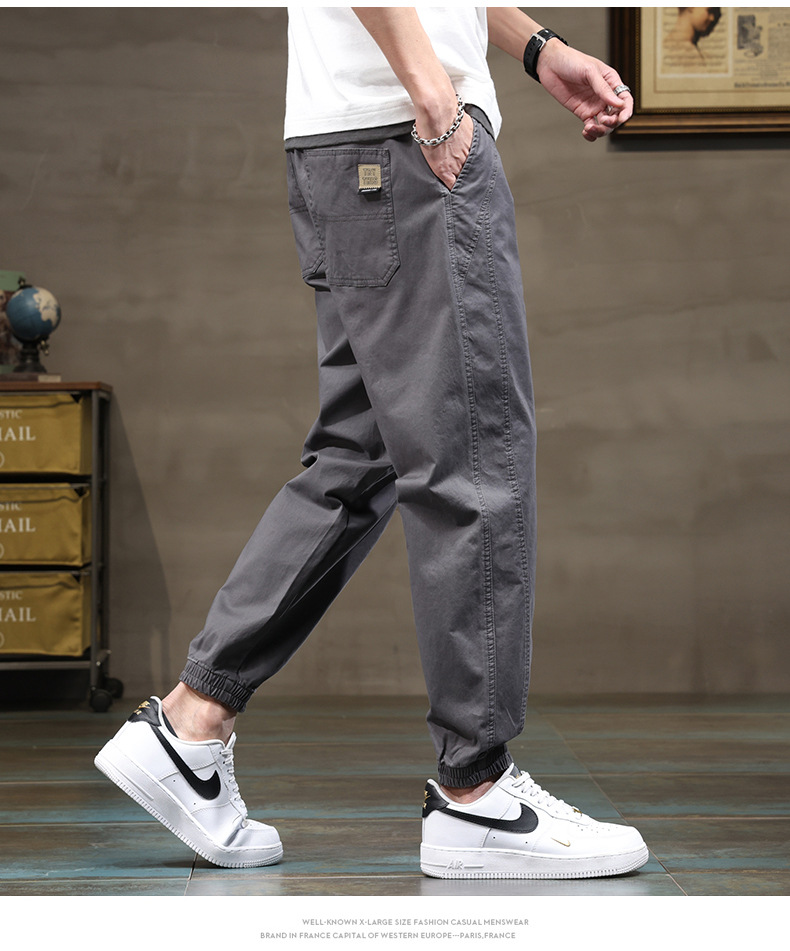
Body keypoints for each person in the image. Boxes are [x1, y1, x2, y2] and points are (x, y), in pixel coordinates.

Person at [96, 7, 649, 880]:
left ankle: (192, 723)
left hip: (346, 146)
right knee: (475, 461)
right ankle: (476, 792)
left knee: (361, 457)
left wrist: (537, 48)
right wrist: (435, 98)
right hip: (407, 138)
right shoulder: (424, 114)